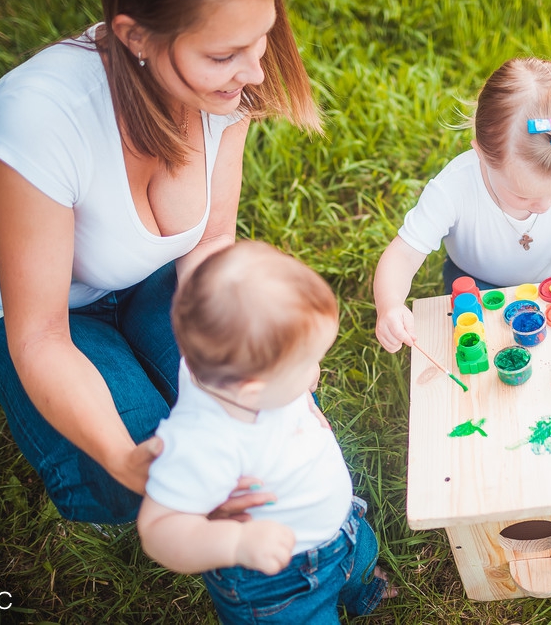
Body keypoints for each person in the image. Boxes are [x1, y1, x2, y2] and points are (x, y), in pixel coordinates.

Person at [0, 0, 321, 525]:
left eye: (261, 39)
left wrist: (252, 366)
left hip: (157, 277)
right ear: (135, 37)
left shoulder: (228, 84)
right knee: (151, 465)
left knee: (265, 404)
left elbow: (208, 244)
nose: (256, 73)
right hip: (46, 317)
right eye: (224, 54)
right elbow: (42, 337)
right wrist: (124, 460)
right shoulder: (39, 116)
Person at [138, 240, 394, 624]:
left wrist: (297, 385)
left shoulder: (227, 368)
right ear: (253, 391)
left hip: (341, 524)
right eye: (308, 362)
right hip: (279, 582)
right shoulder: (203, 441)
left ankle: (363, 590)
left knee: (360, 563)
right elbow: (158, 530)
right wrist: (236, 543)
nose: (316, 370)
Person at [373, 57, 551, 353]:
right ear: (482, 154)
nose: (544, 206)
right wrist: (390, 305)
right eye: (523, 196)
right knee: (484, 344)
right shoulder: (453, 189)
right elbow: (403, 255)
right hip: (481, 282)